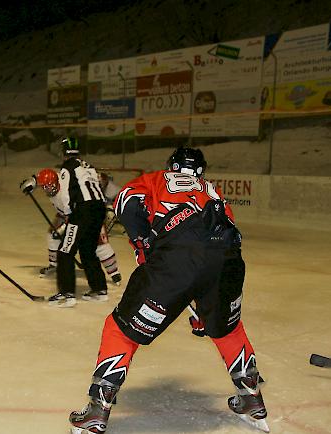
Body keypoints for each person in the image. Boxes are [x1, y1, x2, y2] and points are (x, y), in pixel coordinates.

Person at [69, 147, 269, 433]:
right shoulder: (211, 190)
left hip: (178, 258)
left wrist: (142, 241)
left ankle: (97, 411)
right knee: (228, 330)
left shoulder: (158, 179)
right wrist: (206, 307)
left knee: (120, 329)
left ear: (172, 165)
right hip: (228, 260)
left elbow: (126, 200)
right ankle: (252, 400)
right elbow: (217, 241)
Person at [20, 137, 108, 307]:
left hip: (83, 210)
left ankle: (66, 294)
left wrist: (69, 217)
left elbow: (65, 192)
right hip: (99, 209)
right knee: (88, 251)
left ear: (63, 152)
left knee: (65, 252)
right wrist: (35, 180)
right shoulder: (87, 165)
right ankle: (99, 289)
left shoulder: (67, 168)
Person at [35, 168, 122, 295]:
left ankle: (114, 272)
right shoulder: (60, 179)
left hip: (87, 212)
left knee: (98, 243)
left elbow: (104, 185)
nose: (47, 189)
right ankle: (54, 264)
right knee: (52, 233)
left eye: (49, 186)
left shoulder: (69, 184)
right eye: (44, 187)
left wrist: (111, 206)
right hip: (69, 213)